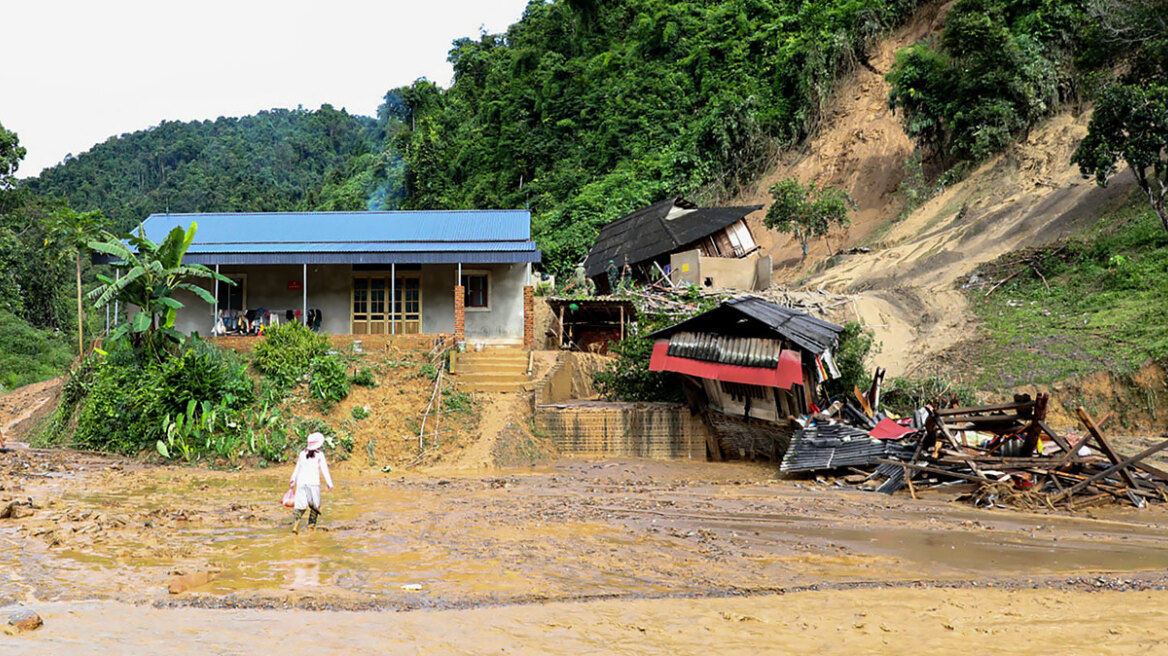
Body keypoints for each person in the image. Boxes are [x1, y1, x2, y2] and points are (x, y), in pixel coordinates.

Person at [289, 432, 334, 534]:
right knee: (315, 508)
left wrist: (293, 480)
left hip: (301, 483)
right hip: (313, 483)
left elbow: (297, 468)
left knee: (299, 506)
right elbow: (324, 470)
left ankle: (296, 526)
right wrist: (329, 483)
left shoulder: (302, 454)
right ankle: (311, 528)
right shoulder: (319, 455)